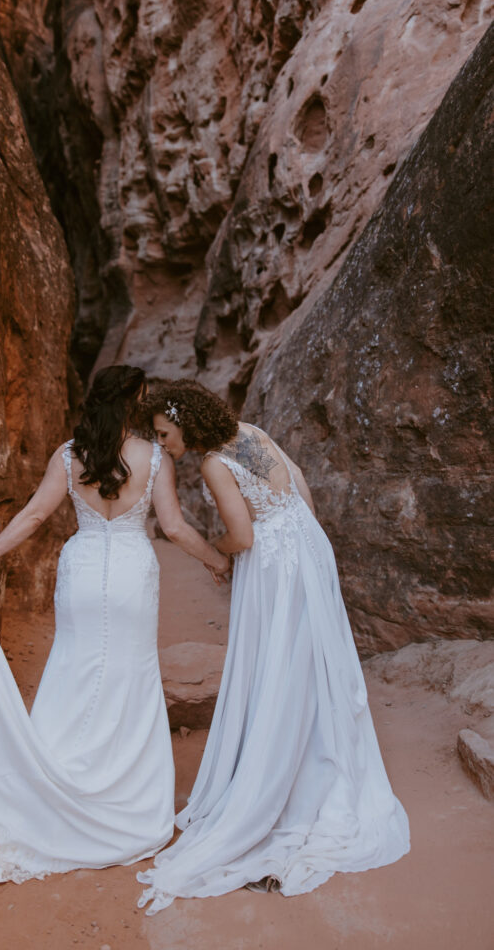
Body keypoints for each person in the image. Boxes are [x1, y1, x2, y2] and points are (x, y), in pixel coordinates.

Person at [0, 365, 229, 893]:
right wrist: (217, 560)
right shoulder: (155, 457)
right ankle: (122, 799)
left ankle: (51, 781)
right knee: (128, 675)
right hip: (129, 575)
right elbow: (173, 526)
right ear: (132, 402)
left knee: (74, 668)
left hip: (80, 572)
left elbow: (32, 517)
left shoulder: (69, 454)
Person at [137, 379, 410, 914]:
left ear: (185, 424)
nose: (164, 444)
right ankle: (320, 755)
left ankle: (279, 781)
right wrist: (301, 534)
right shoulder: (251, 432)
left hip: (275, 566)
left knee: (278, 666)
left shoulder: (215, 463)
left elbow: (241, 534)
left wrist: (223, 557)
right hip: (308, 544)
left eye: (165, 434)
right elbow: (301, 484)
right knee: (311, 662)